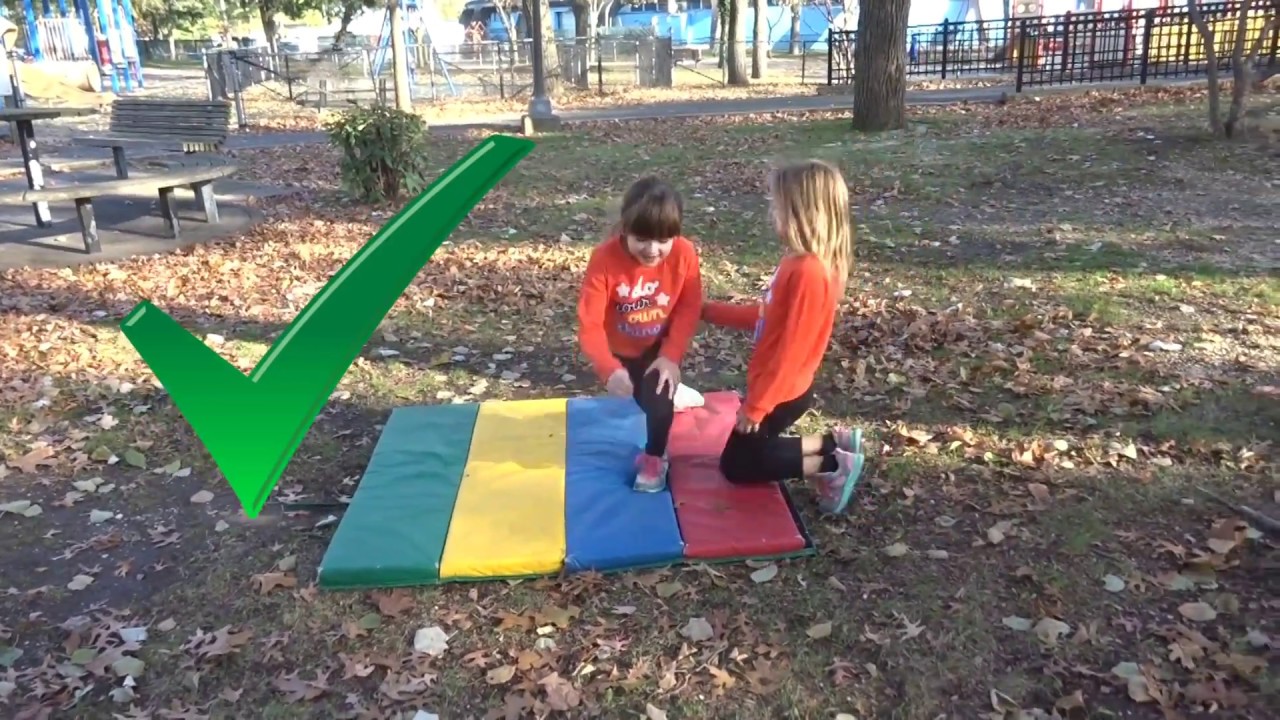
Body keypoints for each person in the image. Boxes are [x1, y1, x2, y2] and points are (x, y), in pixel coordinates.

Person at [701, 159, 864, 514]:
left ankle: (832, 464)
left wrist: (758, 406)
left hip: (782, 391)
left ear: (803, 213)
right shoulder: (798, 262)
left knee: (738, 465)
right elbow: (766, 318)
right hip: (780, 386)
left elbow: (791, 349)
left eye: (778, 207)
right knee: (746, 454)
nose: (771, 214)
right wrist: (707, 310)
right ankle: (831, 444)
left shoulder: (808, 272)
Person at [577, 176, 703, 493]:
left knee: (658, 404)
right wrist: (609, 368)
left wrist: (671, 357)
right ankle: (667, 393)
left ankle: (655, 456)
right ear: (625, 228)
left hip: (658, 349)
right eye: (642, 239)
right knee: (642, 398)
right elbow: (589, 323)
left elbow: (689, 308)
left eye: (663, 240)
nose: (652, 249)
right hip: (622, 350)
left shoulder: (685, 254)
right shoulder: (604, 259)